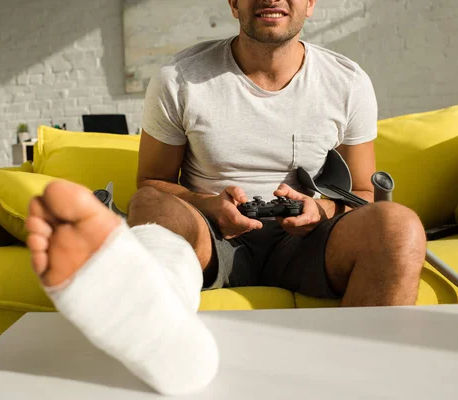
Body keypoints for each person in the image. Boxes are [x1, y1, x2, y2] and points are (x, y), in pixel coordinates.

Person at [25, 0, 426, 396]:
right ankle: (160, 336)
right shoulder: (179, 77)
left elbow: (361, 193)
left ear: (310, 3)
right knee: (147, 205)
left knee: (398, 225)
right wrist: (209, 204)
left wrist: (319, 208)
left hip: (309, 241)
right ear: (234, 3)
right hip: (214, 235)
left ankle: (362, 383)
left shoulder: (347, 81)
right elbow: (152, 181)